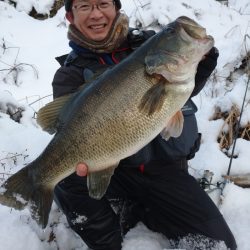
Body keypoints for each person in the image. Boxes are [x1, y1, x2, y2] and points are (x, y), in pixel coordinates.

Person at [52, 0, 237, 249]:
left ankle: (143, 210)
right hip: (115, 172)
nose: (96, 14)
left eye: (103, 3)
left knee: (218, 244)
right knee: (62, 175)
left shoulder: (149, 45)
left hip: (165, 172)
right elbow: (67, 127)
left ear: (116, 9)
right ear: (71, 17)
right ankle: (108, 243)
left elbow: (175, 94)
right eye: (84, 6)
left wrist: (200, 65)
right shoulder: (69, 75)